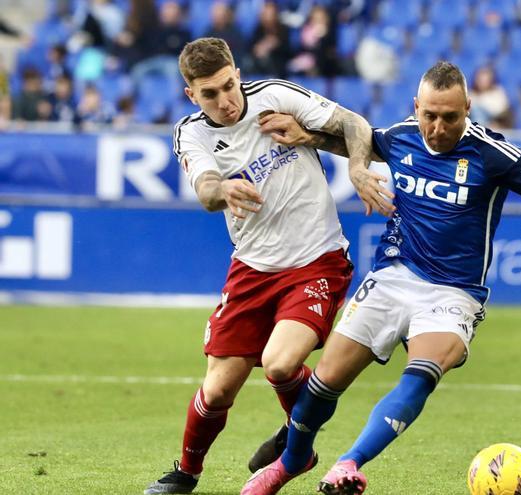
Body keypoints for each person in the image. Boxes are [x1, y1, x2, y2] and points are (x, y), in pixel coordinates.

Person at [241, 61, 521, 495]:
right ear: (415, 106)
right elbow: (361, 141)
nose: (437, 127)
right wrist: (310, 136)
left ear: (469, 107)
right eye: (429, 115)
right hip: (393, 277)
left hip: (454, 293)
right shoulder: (401, 137)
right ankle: (293, 460)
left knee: (422, 372)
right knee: (324, 382)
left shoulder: (493, 154)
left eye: (450, 117)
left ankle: (349, 463)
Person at [143, 37, 391, 495]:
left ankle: (296, 444)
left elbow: (354, 124)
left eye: (227, 86)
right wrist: (223, 191)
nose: (224, 101)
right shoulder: (191, 132)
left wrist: (356, 168)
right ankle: (187, 473)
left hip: (316, 261)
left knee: (279, 364)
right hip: (251, 270)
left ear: (237, 72)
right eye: (209, 94)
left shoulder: (275, 96)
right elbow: (204, 189)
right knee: (217, 391)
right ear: (191, 96)